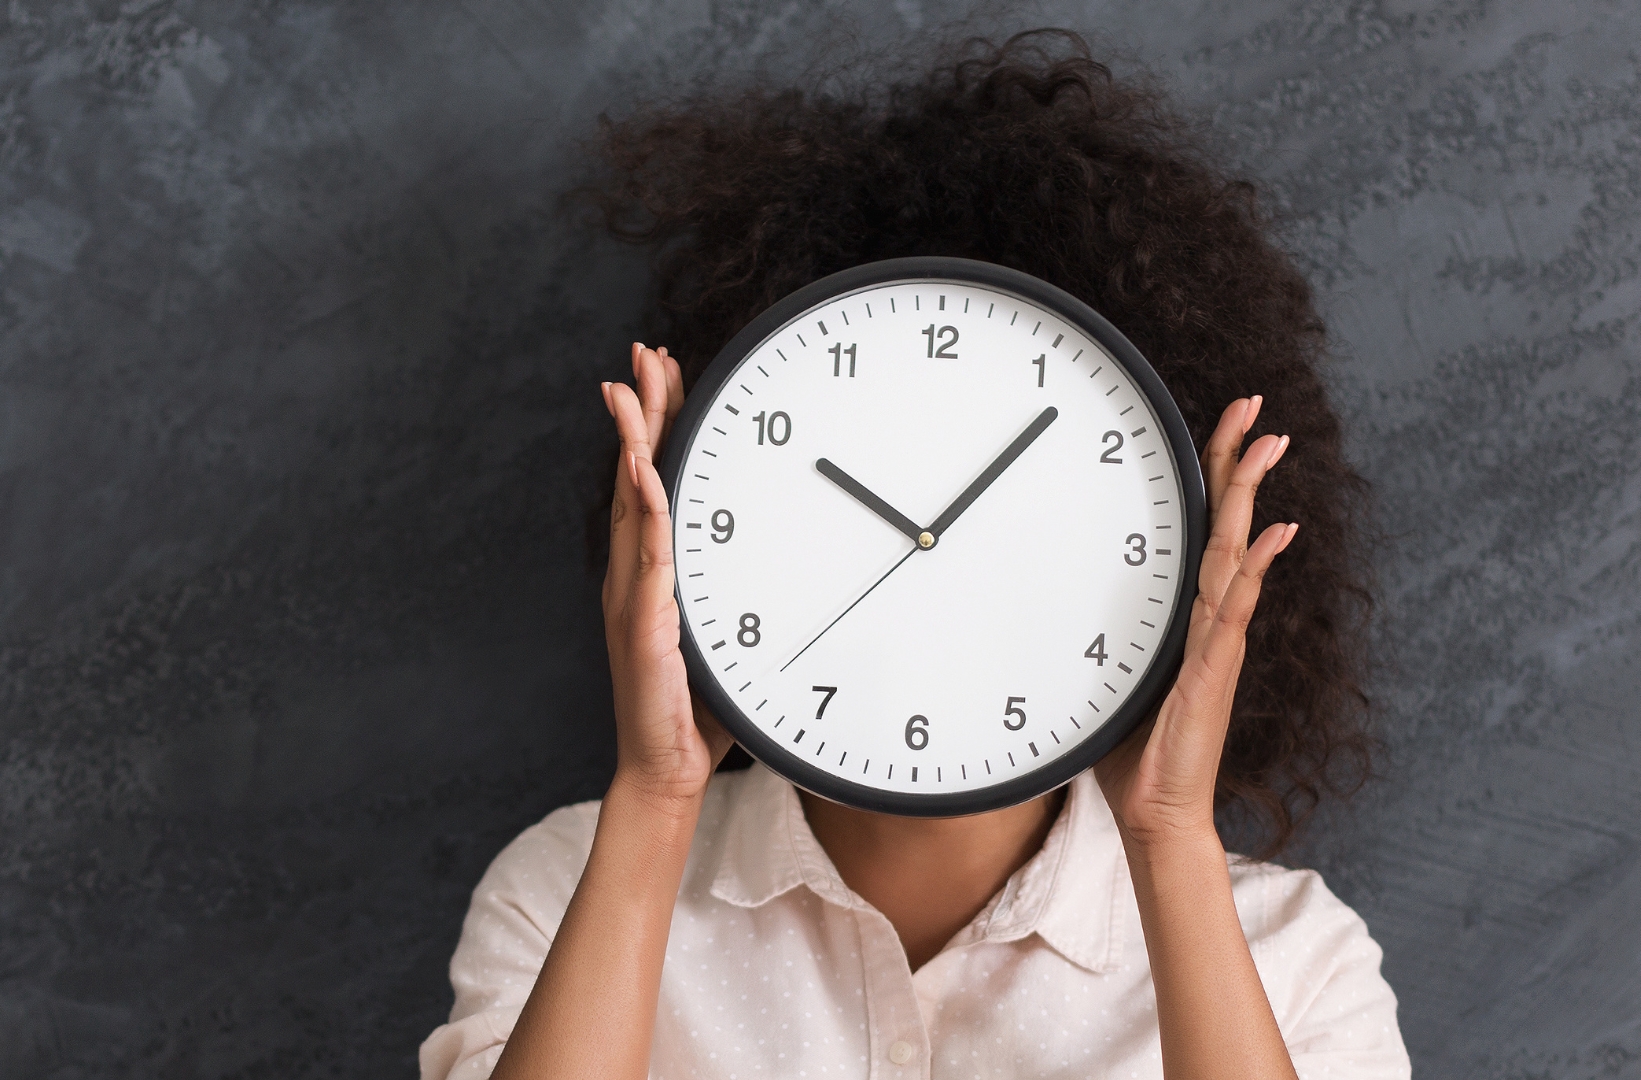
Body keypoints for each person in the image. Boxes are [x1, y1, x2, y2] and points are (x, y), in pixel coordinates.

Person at [420, 30, 1405, 1080]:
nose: (930, 547)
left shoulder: (1292, 958)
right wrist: (655, 803)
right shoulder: (569, 882)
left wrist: (1170, 837)